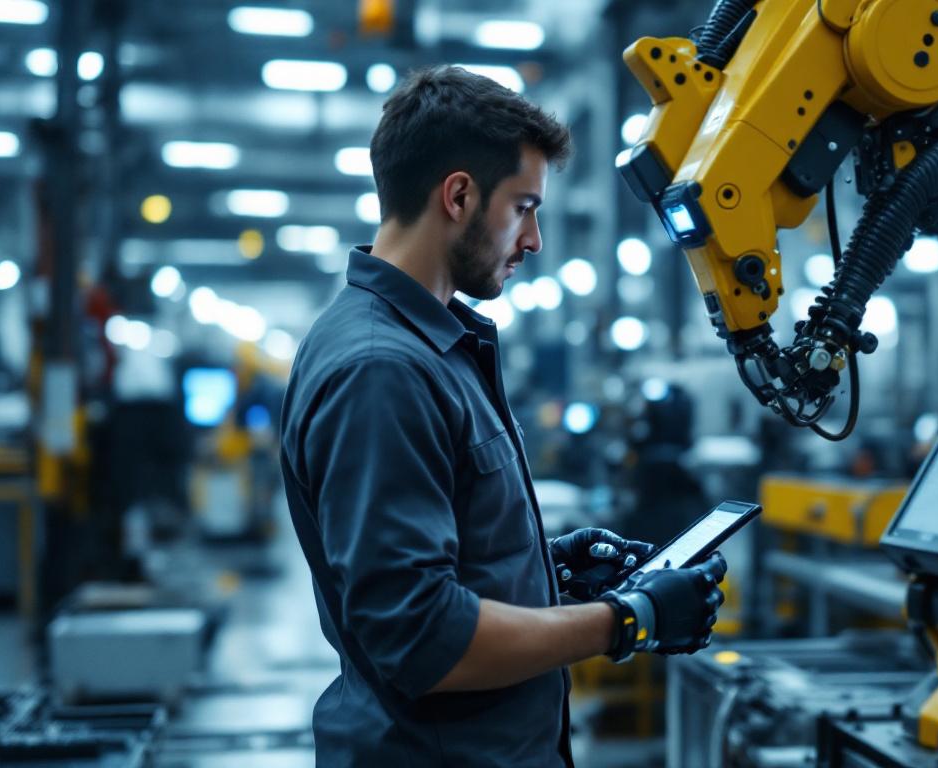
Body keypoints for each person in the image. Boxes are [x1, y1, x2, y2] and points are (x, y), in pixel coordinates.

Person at [278, 65, 728, 767]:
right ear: (458, 195)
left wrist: (546, 572)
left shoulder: (434, 345)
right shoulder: (383, 368)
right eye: (523, 207)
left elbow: (431, 565)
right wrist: (626, 620)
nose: (534, 241)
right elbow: (423, 636)